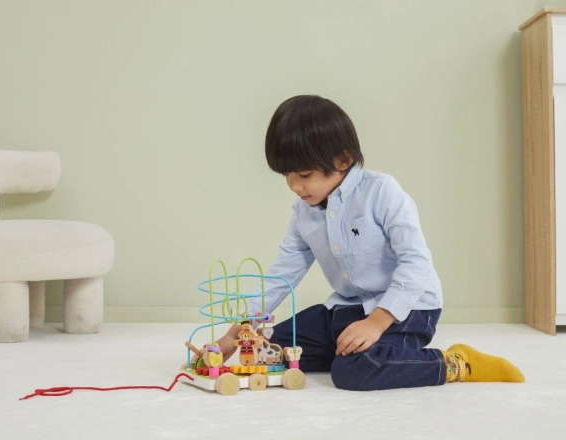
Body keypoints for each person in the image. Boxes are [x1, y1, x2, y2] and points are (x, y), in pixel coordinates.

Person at [213, 95, 524, 391]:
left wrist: (376, 323)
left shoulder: (381, 192)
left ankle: (456, 363)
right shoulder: (303, 211)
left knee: (354, 371)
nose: (295, 185)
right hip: (347, 308)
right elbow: (282, 274)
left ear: (344, 159)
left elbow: (416, 263)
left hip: (407, 308)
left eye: (304, 173)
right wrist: (235, 332)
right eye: (287, 175)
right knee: (266, 350)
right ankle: (352, 348)